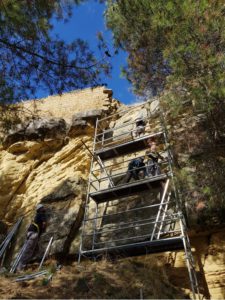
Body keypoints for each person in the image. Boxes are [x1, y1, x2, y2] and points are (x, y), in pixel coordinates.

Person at [17, 204, 47, 272]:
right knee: (28, 250)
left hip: (31, 233)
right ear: (40, 209)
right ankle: (21, 267)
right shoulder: (41, 214)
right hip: (34, 234)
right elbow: (44, 223)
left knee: (36, 250)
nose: (44, 208)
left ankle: (25, 263)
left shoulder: (37, 215)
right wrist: (44, 229)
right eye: (43, 207)